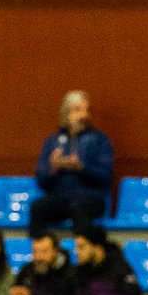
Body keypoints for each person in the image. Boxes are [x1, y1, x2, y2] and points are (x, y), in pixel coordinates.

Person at [30, 90, 114, 235]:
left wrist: (82, 168)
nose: (84, 115)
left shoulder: (100, 140)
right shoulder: (52, 141)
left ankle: (82, 248)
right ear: (66, 114)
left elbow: (106, 177)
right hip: (61, 198)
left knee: (79, 207)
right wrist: (54, 169)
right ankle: (41, 247)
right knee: (38, 207)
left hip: (90, 198)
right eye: (77, 110)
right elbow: (41, 180)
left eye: (87, 110)